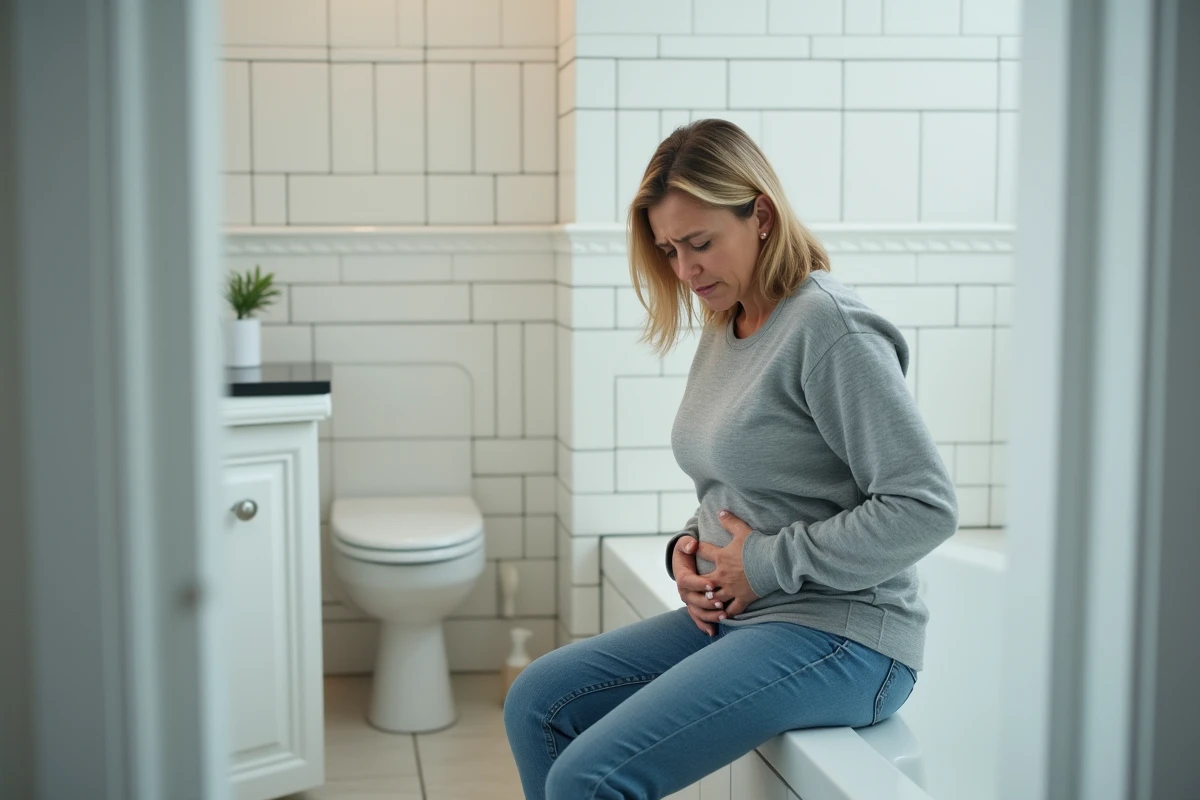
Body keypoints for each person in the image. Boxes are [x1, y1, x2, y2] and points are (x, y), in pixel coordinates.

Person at [503, 119, 959, 800]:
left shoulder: (829, 328)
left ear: (762, 216)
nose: (685, 271)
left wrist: (763, 563)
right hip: (749, 616)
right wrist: (689, 549)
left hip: (848, 635)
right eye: (668, 250)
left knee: (589, 780)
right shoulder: (732, 322)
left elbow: (925, 507)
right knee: (537, 699)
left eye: (700, 243)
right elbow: (740, 482)